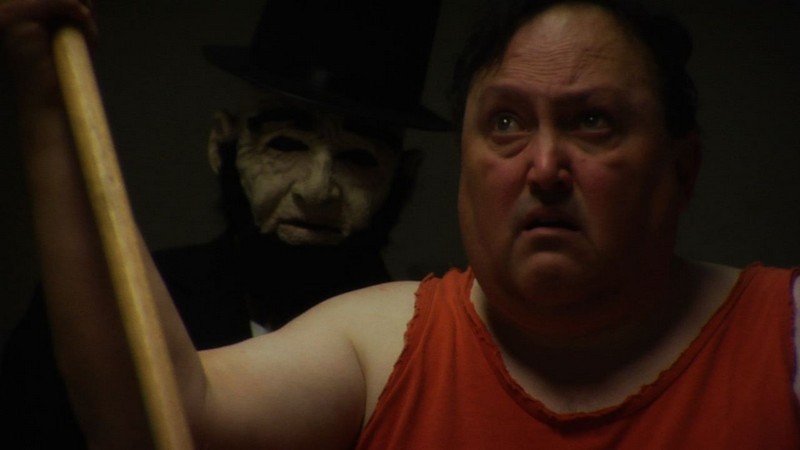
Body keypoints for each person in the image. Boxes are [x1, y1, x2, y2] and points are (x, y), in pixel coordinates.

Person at [3, 0, 799, 448]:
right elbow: (155, 411)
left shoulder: (786, 335)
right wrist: (43, 95)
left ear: (681, 169)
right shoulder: (385, 342)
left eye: (593, 121)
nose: (544, 166)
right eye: (506, 123)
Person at [0, 0, 448, 447]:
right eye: (285, 144)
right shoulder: (109, 303)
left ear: (404, 177)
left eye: (358, 158)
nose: (316, 191)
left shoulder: (427, 350)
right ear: (222, 147)